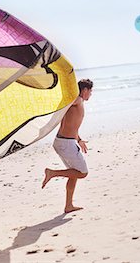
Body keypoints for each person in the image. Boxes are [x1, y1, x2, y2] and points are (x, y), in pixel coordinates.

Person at [41, 78, 93, 213]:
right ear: (85, 90)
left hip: (63, 142)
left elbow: (72, 126)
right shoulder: (78, 100)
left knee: (74, 174)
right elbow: (71, 101)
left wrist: (79, 140)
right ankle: (52, 173)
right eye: (90, 91)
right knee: (82, 173)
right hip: (66, 143)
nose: (91, 94)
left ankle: (68, 205)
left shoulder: (77, 102)